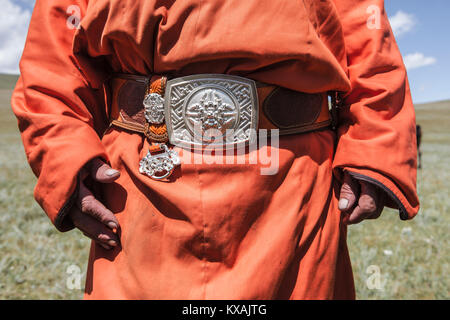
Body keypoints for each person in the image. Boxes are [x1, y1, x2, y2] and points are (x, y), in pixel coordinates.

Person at [11, 0, 419, 299]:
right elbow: (54, 61)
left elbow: (368, 41)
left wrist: (376, 147)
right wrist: (63, 152)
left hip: (293, 189)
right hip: (138, 190)